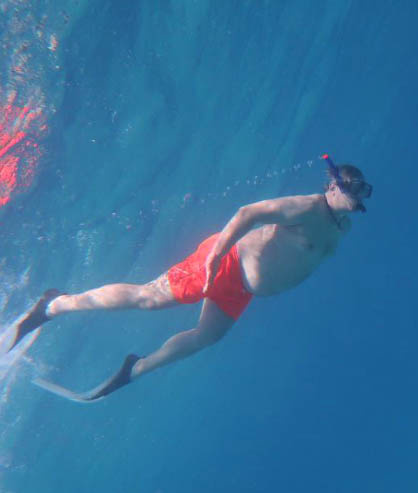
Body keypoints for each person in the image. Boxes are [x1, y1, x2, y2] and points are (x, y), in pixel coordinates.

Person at [8, 155, 371, 401]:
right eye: (356, 190)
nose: (360, 198)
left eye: (364, 192)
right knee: (147, 299)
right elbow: (249, 213)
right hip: (226, 262)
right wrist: (215, 256)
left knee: (207, 337)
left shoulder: (342, 227)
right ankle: (53, 305)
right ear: (335, 186)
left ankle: (136, 368)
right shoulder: (307, 207)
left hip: (242, 289)